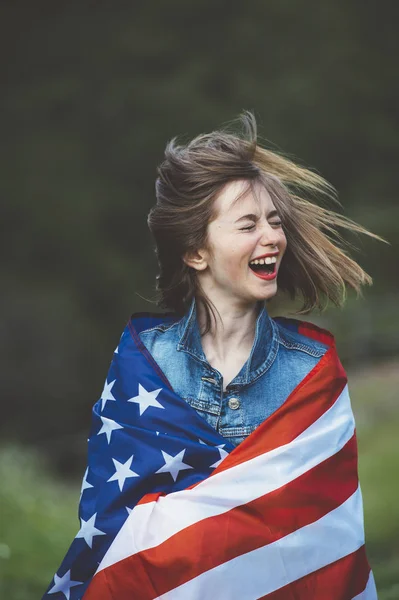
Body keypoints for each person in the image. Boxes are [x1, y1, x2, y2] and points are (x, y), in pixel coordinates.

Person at [43, 112, 380, 599]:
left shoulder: (312, 372)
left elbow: (329, 541)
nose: (272, 237)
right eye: (247, 225)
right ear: (196, 253)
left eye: (274, 221)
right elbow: (111, 526)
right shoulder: (144, 361)